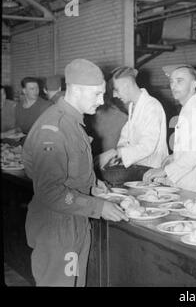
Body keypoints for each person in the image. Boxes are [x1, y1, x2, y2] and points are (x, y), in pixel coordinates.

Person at [22, 58, 128, 287]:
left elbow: (69, 169)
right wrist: (98, 206)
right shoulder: (53, 127)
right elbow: (48, 190)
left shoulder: (72, 123)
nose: (101, 102)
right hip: (57, 227)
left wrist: (91, 185)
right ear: (77, 90)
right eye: (97, 94)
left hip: (74, 220)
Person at [142, 64, 196, 194]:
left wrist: (164, 171)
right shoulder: (189, 108)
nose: (173, 86)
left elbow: (194, 155)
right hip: (189, 183)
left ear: (193, 84)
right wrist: (175, 156)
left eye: (179, 81)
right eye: (171, 82)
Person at [98, 66, 168, 169]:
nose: (114, 95)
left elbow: (148, 146)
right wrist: (116, 157)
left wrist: (117, 153)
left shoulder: (152, 106)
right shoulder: (133, 106)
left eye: (116, 90)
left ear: (126, 85)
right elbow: (125, 137)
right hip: (138, 165)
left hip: (152, 167)